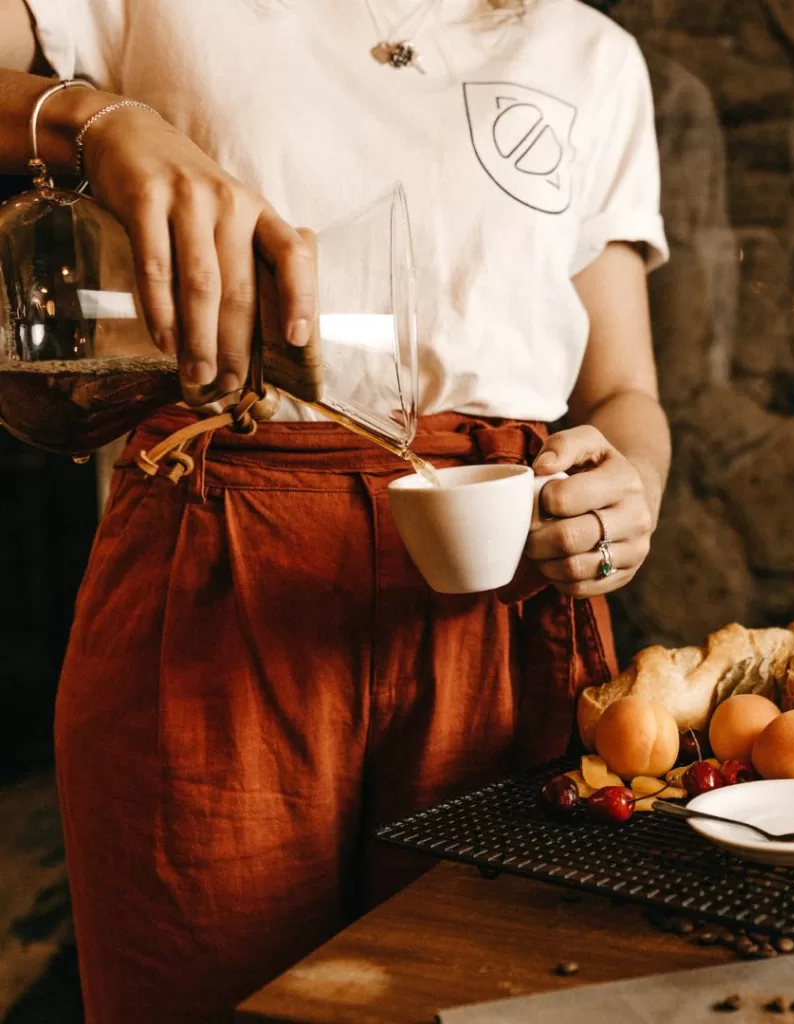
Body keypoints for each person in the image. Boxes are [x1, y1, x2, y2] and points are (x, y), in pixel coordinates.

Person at [0, 0, 671, 1019]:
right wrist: (91, 120)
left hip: (494, 589)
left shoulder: (587, 54)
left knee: (484, 990)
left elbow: (625, 393)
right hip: (218, 563)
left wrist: (632, 489)